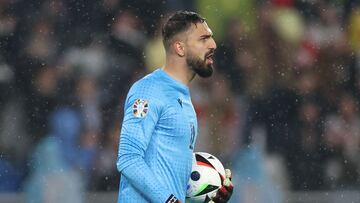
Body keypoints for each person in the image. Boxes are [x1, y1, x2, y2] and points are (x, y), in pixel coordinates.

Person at [116, 10, 233, 203]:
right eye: (203, 39)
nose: (213, 45)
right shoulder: (148, 90)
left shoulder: (185, 99)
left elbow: (169, 173)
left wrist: (210, 192)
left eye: (211, 38)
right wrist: (169, 201)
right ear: (180, 48)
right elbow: (128, 159)